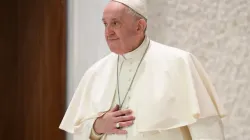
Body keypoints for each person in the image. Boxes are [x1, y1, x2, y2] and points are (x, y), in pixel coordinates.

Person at [59, 0, 226, 139]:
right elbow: (78, 131)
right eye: (105, 24)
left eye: (115, 23)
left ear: (139, 26)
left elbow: (207, 130)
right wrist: (97, 127)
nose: (108, 32)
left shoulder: (179, 63)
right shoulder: (95, 73)